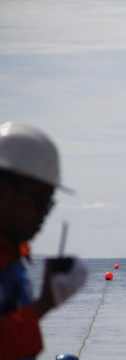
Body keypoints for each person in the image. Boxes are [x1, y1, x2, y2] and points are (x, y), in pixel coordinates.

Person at [0, 122, 87, 360]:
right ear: (3, 191)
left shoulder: (13, 259)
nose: (44, 214)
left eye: (49, 204)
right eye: (39, 200)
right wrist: (44, 304)